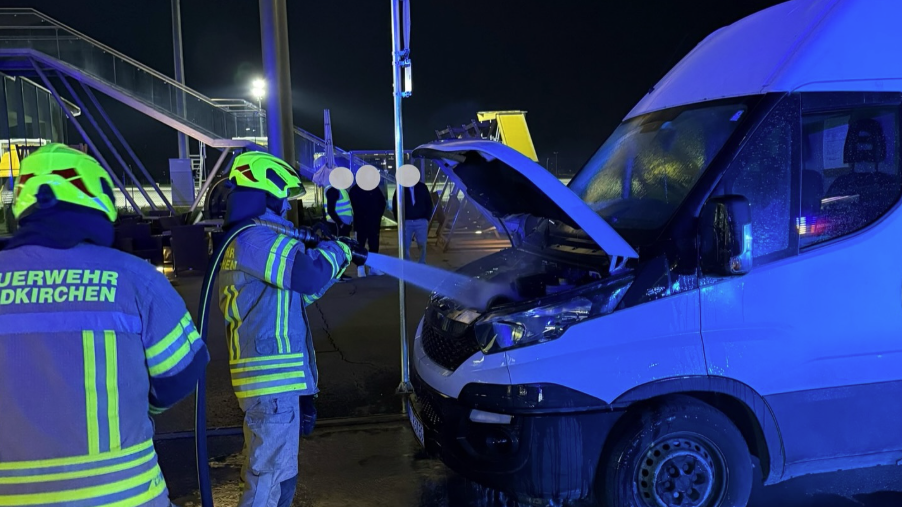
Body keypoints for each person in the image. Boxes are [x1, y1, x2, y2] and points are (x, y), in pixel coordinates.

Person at [0, 144, 209, 506]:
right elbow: (181, 373)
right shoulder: (132, 277)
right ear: (94, 199)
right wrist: (138, 404)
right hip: (124, 495)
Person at [218, 151, 353, 507]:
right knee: (266, 481)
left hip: (276, 382)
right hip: (271, 382)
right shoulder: (254, 239)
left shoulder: (252, 239)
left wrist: (330, 262)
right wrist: (336, 252)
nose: (285, 210)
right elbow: (307, 276)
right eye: (284, 201)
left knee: (279, 477)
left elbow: (296, 297)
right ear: (270, 191)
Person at [391, 179, 434, 264]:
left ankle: (422, 263)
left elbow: (429, 203)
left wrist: (426, 218)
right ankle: (408, 264)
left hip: (421, 220)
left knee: (422, 244)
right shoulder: (401, 188)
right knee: (405, 245)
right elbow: (395, 204)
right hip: (406, 221)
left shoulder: (422, 187)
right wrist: (399, 221)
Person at [349, 181, 386, 277]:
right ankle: (360, 267)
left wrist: (377, 216)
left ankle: (372, 267)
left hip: (373, 223)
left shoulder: (373, 188)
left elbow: (382, 202)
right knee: (360, 246)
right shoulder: (355, 190)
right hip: (361, 223)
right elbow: (353, 206)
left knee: (374, 245)